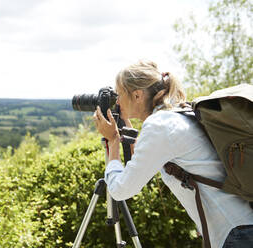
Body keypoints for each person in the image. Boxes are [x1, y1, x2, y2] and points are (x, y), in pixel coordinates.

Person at [93, 60, 253, 248]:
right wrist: (126, 127)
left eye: (119, 94)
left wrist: (112, 141)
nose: (117, 101)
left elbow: (121, 190)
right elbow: (144, 163)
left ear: (137, 95)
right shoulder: (178, 114)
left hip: (236, 233)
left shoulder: (159, 126)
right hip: (242, 223)